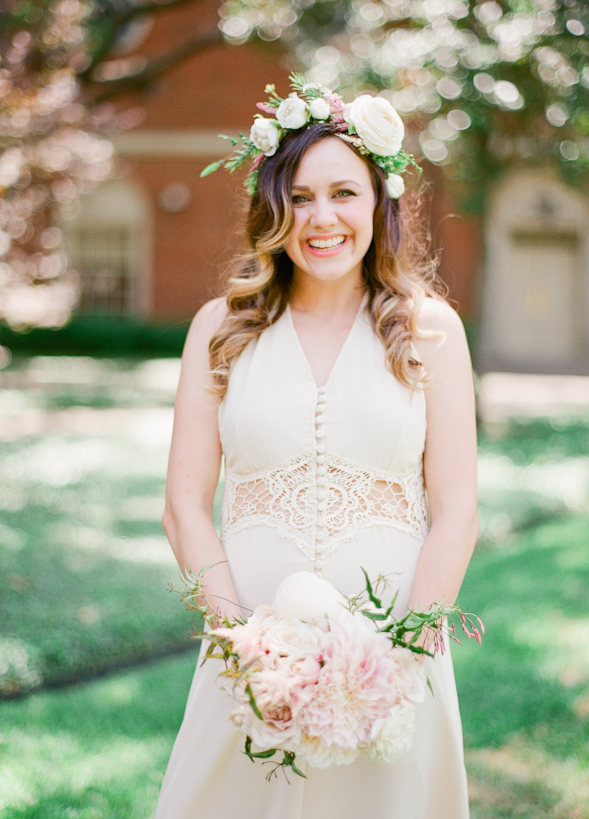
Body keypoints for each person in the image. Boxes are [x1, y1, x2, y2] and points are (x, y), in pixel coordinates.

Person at [155, 77, 479, 819]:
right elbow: (183, 504)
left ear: (379, 203)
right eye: (299, 197)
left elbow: (457, 510)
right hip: (249, 650)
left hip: (393, 656)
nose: (321, 217)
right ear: (273, 207)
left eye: (343, 193)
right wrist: (243, 647)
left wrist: (404, 657)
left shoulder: (431, 331)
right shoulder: (220, 326)